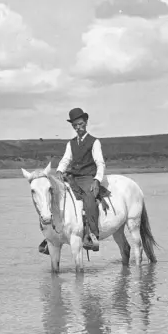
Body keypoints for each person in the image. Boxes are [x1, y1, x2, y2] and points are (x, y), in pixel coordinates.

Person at [55, 107, 106, 251]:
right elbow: (66, 159)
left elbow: (100, 163)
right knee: (54, 194)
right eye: (75, 125)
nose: (78, 128)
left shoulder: (94, 142)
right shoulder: (70, 143)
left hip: (87, 177)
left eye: (81, 124)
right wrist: (59, 170)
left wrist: (96, 180)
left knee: (90, 197)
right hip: (72, 177)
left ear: (86, 122)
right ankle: (53, 236)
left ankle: (93, 235)